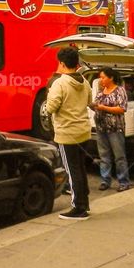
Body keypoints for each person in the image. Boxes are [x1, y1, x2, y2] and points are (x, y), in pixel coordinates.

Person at [46, 46, 92, 220]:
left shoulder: (60, 83)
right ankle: (84, 203)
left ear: (62, 63)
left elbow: (51, 107)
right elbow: (89, 101)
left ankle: (78, 208)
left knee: (72, 171)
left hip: (67, 132)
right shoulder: (84, 81)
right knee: (80, 168)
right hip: (83, 131)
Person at [90, 67, 131, 192]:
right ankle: (105, 180)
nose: (101, 80)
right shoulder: (101, 92)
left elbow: (122, 108)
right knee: (104, 155)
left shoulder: (120, 91)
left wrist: (104, 108)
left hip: (115, 128)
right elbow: (96, 106)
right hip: (101, 127)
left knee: (119, 156)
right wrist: (94, 107)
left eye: (103, 77)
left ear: (111, 77)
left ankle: (123, 181)